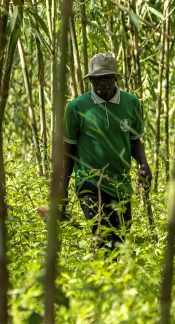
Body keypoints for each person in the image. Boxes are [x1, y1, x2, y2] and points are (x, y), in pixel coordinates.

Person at [60, 52, 152, 250]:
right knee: (103, 240)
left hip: (120, 184)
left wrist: (144, 164)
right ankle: (100, 278)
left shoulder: (131, 103)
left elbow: (135, 141)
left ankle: (114, 280)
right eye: (97, 79)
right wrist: (62, 194)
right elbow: (69, 150)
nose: (102, 83)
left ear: (116, 78)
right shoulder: (77, 107)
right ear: (90, 79)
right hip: (90, 182)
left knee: (120, 242)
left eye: (107, 77)